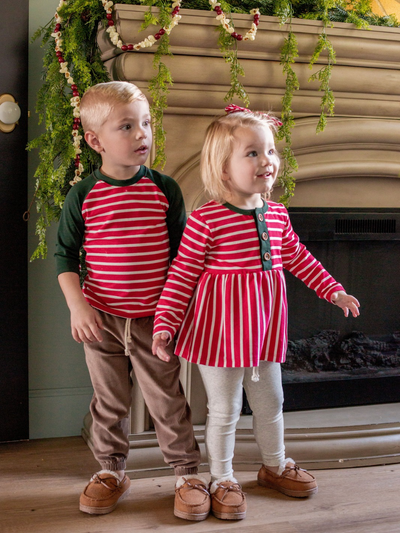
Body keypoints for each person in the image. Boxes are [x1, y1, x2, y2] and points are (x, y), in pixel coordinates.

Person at [152, 104, 360, 521]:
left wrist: (333, 291)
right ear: (223, 169)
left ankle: (275, 464)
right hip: (220, 334)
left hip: (264, 332)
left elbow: (299, 259)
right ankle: (223, 478)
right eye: (253, 153)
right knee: (225, 409)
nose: (268, 161)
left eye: (271, 152)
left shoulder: (277, 214)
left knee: (271, 402)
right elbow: (181, 277)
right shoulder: (207, 221)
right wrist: (165, 325)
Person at [55, 81, 210, 520]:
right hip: (99, 319)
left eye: (146, 123)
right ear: (95, 140)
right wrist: (78, 305)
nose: (142, 134)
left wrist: (179, 311)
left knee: (167, 397)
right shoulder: (83, 195)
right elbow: (64, 255)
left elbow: (184, 257)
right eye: (128, 126)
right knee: (109, 399)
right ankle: (110, 471)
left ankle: (186, 473)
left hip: (154, 319)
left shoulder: (164, 189)